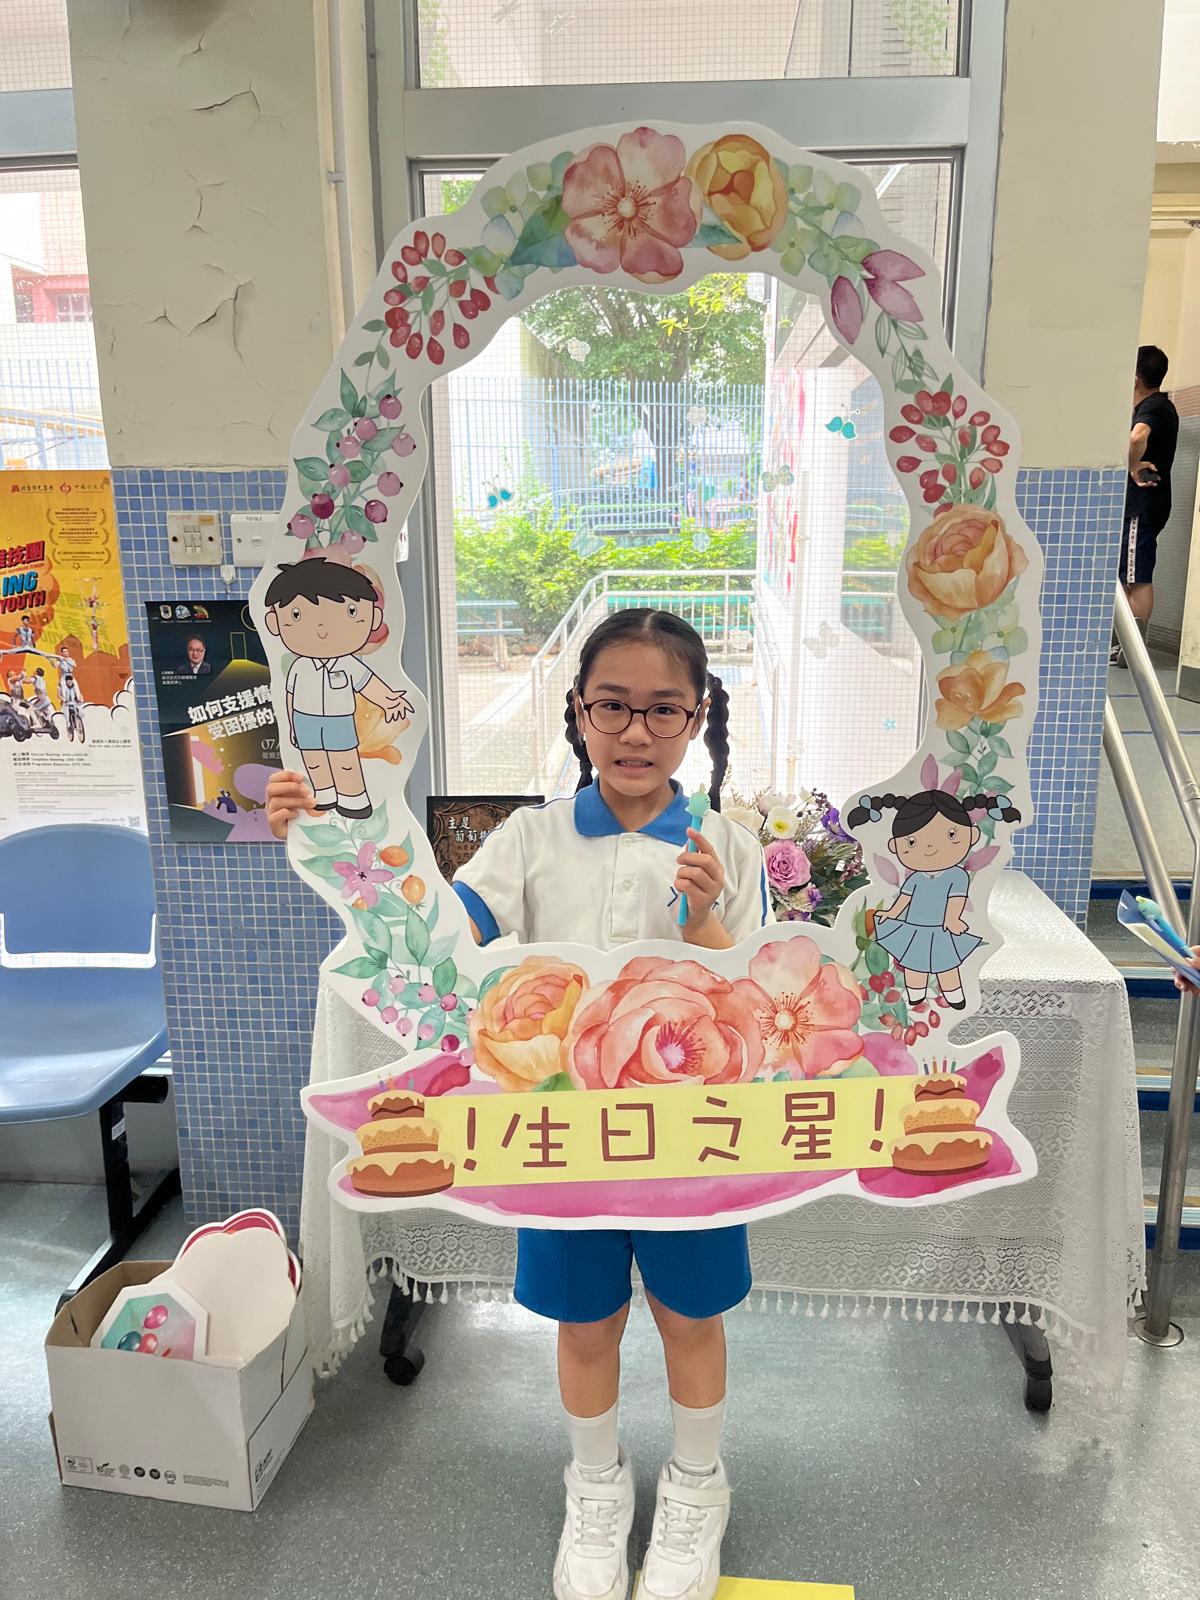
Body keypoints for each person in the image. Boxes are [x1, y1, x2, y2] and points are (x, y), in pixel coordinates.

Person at [266, 608, 769, 1600]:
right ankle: (595, 1485)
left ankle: (696, 1484)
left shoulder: (728, 845)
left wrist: (708, 920)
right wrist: (331, 831)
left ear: (697, 715)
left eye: (663, 709)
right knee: (584, 1323)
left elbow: (760, 1008)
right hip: (558, 1142)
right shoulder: (531, 839)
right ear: (578, 713)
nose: (635, 732)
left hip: (693, 1143)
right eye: (612, 706)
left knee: (690, 1317)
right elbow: (441, 939)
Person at [263, 558, 413, 820]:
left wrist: (389, 700)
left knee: (345, 761)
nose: (322, 629)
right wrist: (292, 727)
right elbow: (289, 696)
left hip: (339, 720)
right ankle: (324, 795)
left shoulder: (349, 664)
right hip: (305, 720)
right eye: (297, 615)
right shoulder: (299, 667)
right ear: (275, 623)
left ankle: (354, 799)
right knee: (314, 761)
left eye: (351, 612)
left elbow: (368, 684)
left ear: (374, 618)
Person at [849, 789, 1021, 1010]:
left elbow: (956, 899)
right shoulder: (915, 877)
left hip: (941, 928)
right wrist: (891, 913)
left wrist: (952, 919)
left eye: (951, 835)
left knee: (946, 964)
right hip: (914, 927)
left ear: (972, 836)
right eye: (912, 842)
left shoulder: (957, 875)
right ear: (895, 847)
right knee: (914, 963)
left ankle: (953, 994)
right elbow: (905, 898)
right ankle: (916, 994)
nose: (930, 847)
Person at [1113, 344, 1179, 667]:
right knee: (1129, 572)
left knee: (1136, 575)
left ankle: (1131, 652)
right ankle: (1124, 646)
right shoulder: (1159, 406)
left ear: (1135, 377)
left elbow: (1137, 438)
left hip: (1143, 504)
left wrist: (1130, 465)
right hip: (1146, 504)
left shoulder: (1153, 407)